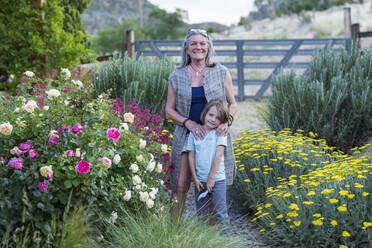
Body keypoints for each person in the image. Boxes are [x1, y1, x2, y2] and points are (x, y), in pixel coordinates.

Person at [165, 29, 237, 218]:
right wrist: (188, 123)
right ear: (187, 48)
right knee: (180, 184)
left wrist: (226, 122)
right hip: (185, 134)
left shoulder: (221, 72)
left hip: (213, 136)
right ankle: (173, 230)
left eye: (202, 44)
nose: (198, 47)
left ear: (208, 47)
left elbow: (232, 103)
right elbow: (169, 110)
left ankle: (210, 234)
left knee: (210, 183)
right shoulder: (176, 75)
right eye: (194, 44)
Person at [185, 100, 230, 226]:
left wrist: (211, 178)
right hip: (200, 181)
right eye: (211, 115)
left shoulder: (220, 134)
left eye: (218, 118)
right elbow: (191, 156)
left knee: (220, 213)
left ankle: (225, 242)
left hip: (217, 180)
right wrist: (195, 178)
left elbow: (218, 155)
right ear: (205, 113)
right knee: (202, 214)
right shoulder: (194, 134)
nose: (213, 119)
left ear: (222, 121)